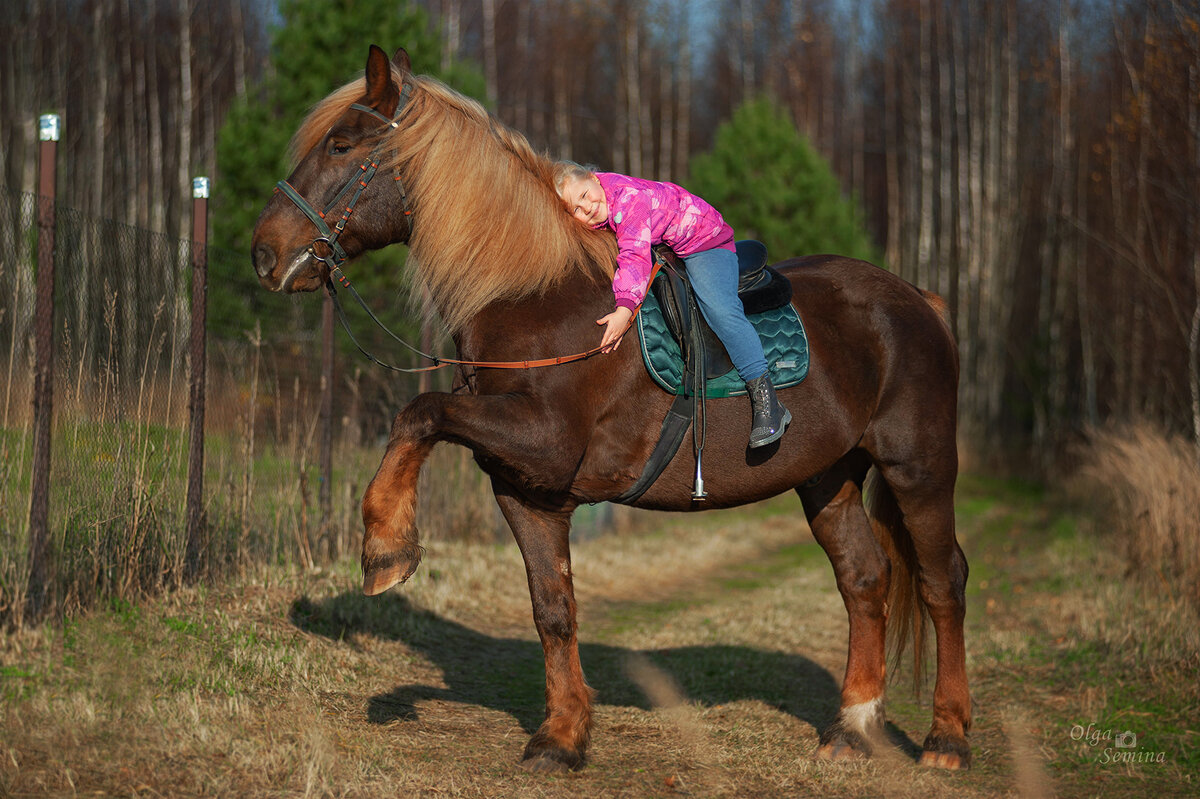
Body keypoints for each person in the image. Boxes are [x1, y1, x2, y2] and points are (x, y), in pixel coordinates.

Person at [552, 161, 790, 448]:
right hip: (671, 243)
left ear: (594, 178)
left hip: (704, 242)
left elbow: (635, 257)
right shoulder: (604, 199)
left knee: (720, 310)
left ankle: (766, 398)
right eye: (575, 209)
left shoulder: (628, 200)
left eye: (584, 195)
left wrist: (624, 309)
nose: (586, 207)